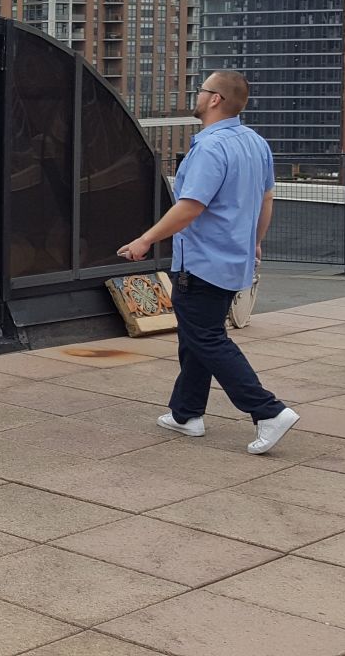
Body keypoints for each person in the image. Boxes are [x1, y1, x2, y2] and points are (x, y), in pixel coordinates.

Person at [116, 71, 298, 455]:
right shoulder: (256, 144)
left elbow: (190, 207)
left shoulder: (210, 148)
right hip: (234, 259)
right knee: (198, 334)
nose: (195, 95)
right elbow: (266, 201)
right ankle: (186, 414)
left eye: (200, 90)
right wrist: (255, 244)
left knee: (207, 337)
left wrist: (145, 240)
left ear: (214, 99)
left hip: (201, 261)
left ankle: (268, 411)